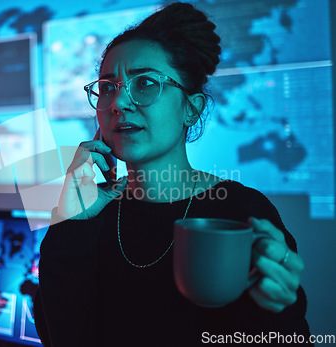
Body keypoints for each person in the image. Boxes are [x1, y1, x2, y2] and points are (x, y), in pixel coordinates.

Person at [33, 2, 312, 346]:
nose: (119, 102)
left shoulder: (240, 213)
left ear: (191, 109)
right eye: (107, 87)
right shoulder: (90, 213)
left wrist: (275, 308)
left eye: (146, 82)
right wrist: (69, 224)